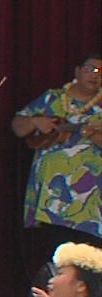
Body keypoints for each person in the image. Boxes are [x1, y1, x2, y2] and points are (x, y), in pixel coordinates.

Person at [11, 53, 102, 249]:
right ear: (77, 71)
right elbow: (18, 126)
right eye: (91, 69)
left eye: (101, 72)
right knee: (58, 258)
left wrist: (94, 136)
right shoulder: (52, 98)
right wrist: (35, 121)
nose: (96, 75)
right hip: (53, 200)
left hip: (92, 203)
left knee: (92, 265)